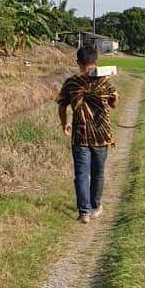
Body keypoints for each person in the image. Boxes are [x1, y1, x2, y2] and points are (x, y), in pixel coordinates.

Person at [57, 46, 120, 224]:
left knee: (82, 174)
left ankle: (84, 212)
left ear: (78, 63)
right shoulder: (105, 82)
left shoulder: (71, 83)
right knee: (98, 173)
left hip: (80, 135)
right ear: (96, 62)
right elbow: (114, 104)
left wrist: (65, 124)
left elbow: (62, 106)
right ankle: (96, 206)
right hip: (102, 135)